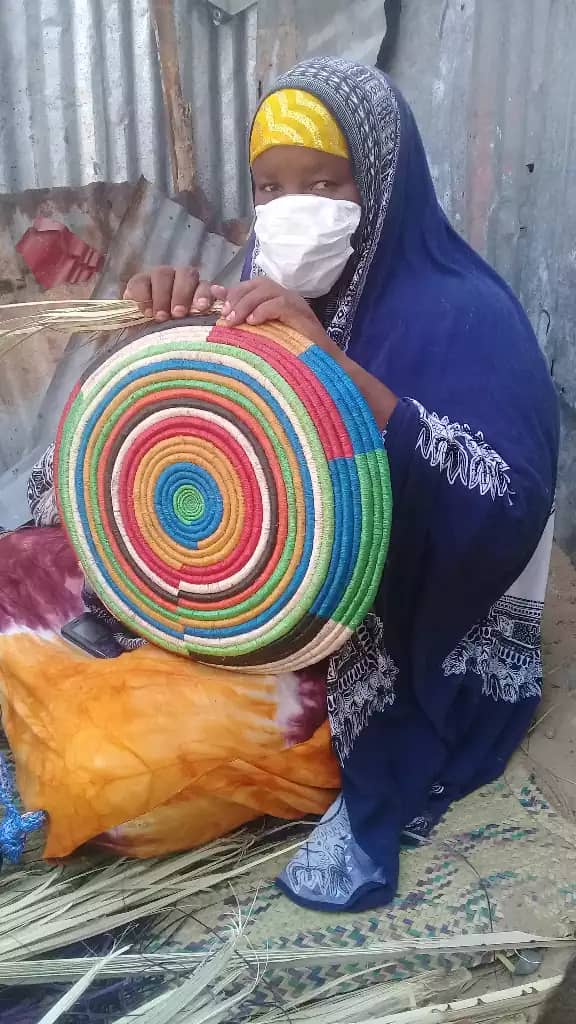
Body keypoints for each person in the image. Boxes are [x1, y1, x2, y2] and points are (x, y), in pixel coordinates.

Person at [123, 56, 558, 912]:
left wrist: (335, 367)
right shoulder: (264, 281)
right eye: (271, 187)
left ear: (388, 181)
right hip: (270, 585)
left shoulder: (462, 314)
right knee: (65, 629)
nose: (294, 210)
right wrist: (169, 331)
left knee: (151, 760)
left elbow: (506, 505)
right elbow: (204, 459)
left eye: (326, 182)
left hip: (401, 623)